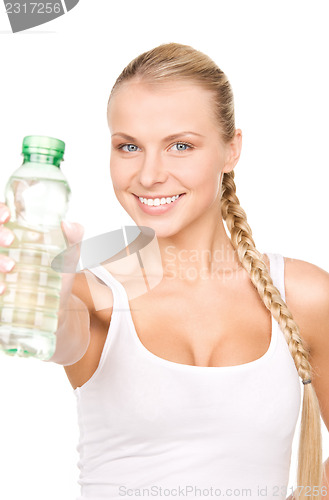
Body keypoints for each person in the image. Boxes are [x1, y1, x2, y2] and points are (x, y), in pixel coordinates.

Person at [0, 42, 328, 500]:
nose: (150, 175)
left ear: (231, 149)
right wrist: (39, 301)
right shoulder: (91, 296)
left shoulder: (305, 295)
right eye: (129, 146)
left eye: (180, 145)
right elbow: (60, 331)